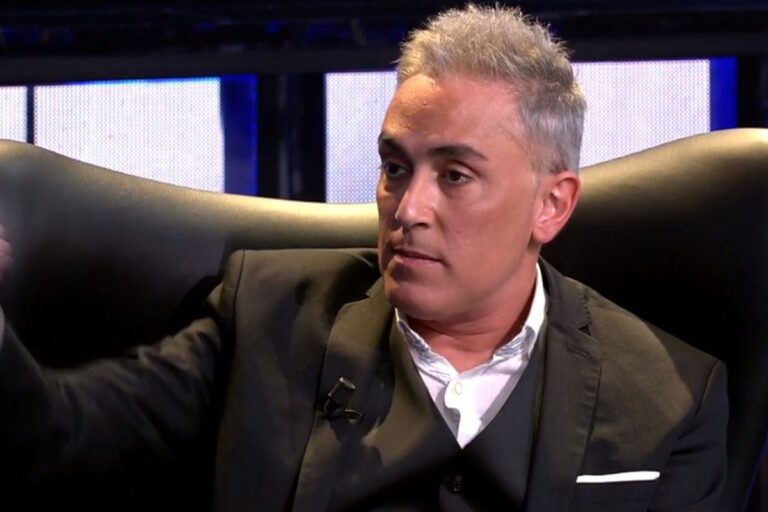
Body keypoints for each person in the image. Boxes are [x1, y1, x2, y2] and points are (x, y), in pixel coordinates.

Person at [0, 4, 727, 512]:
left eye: (455, 175)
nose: (407, 209)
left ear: (552, 205)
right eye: (395, 167)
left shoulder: (670, 397)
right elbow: (58, 441)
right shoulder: (264, 318)